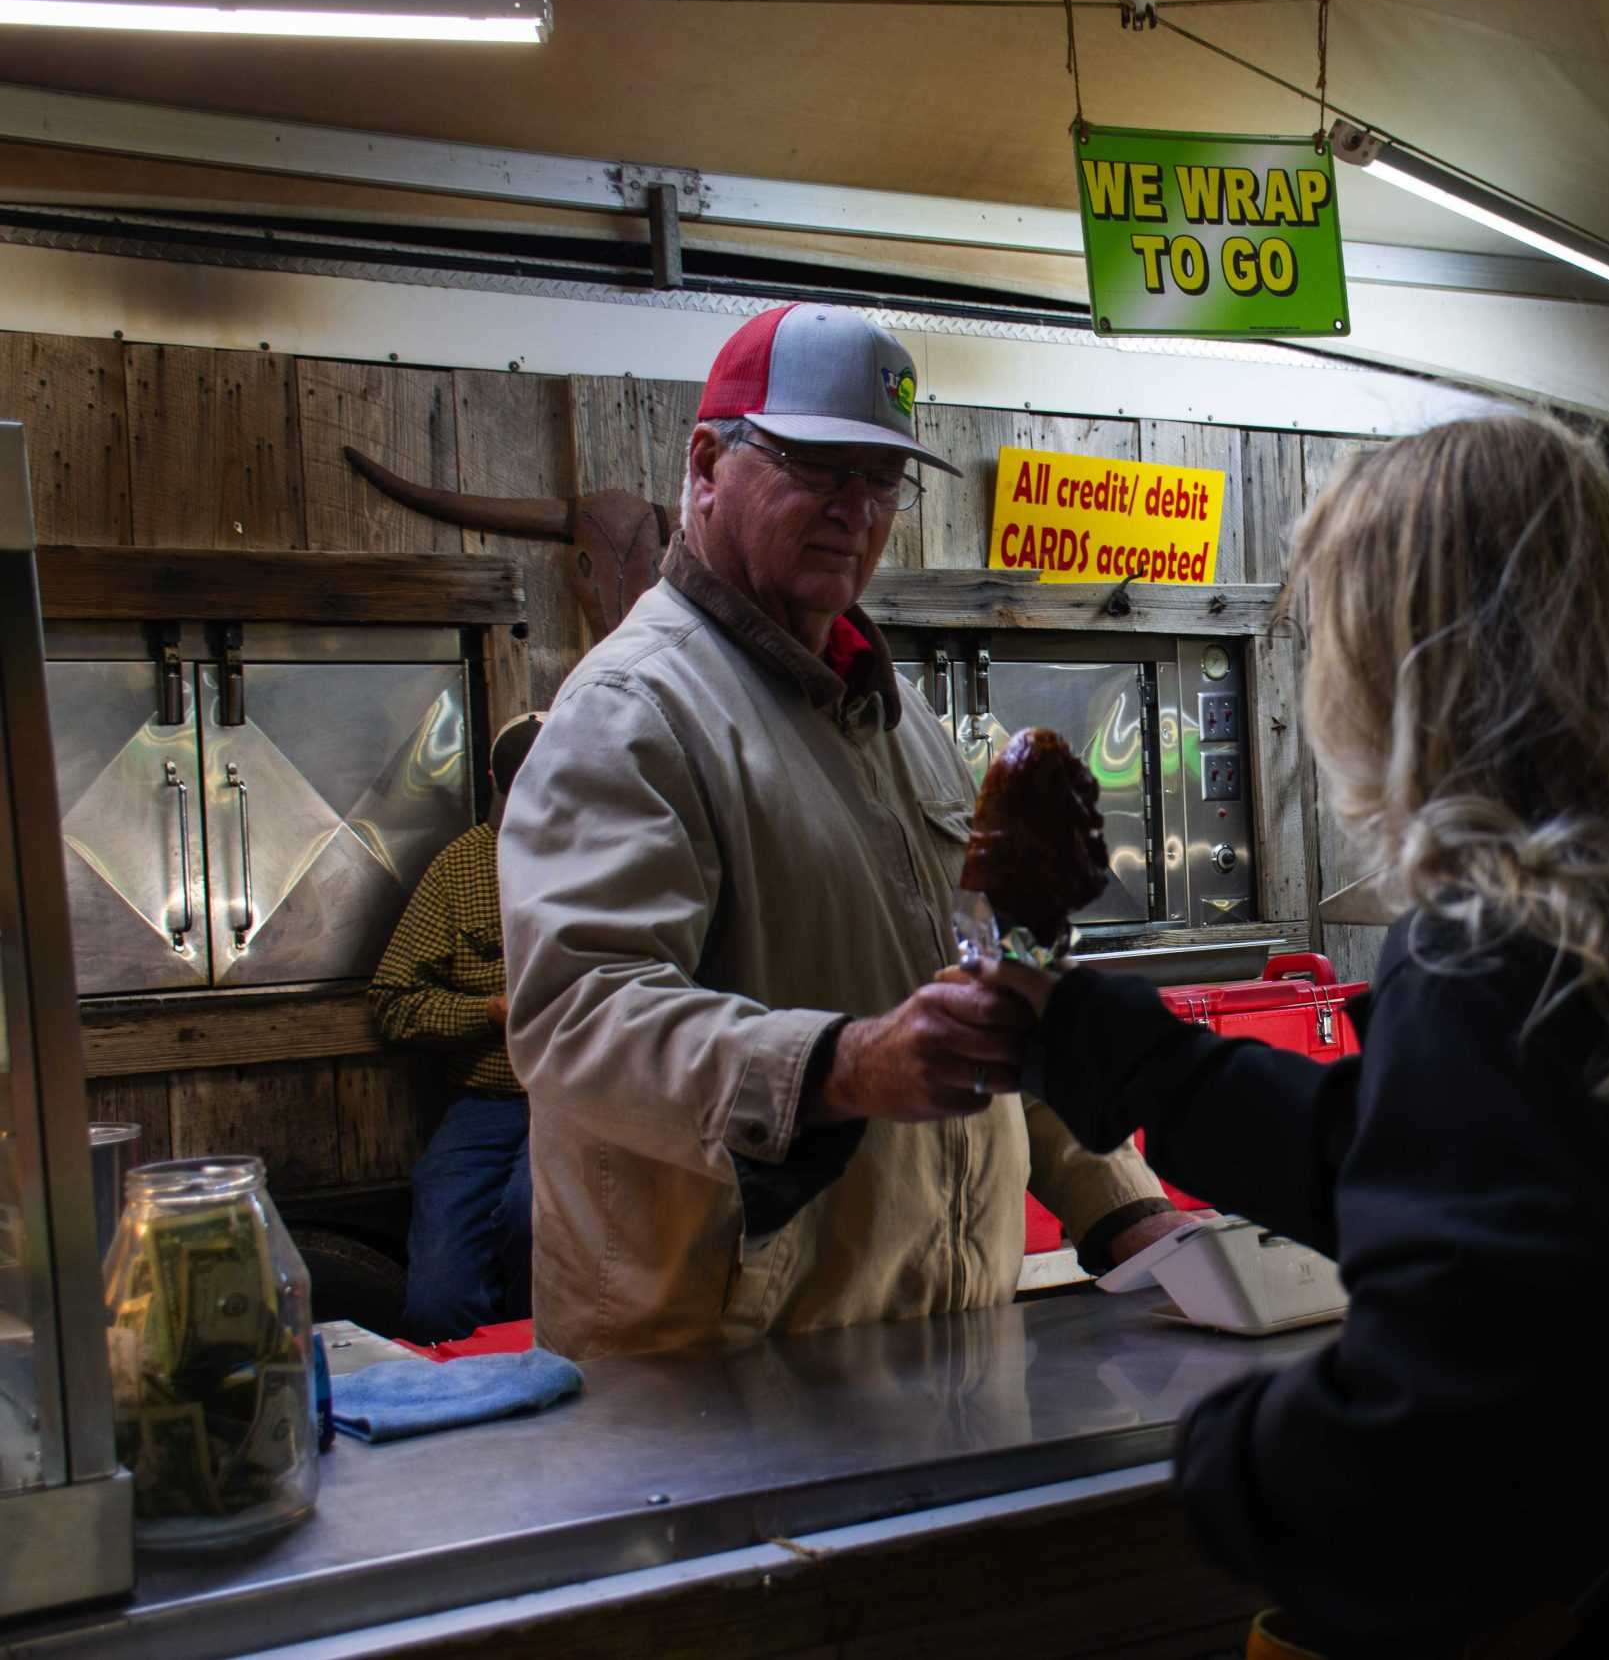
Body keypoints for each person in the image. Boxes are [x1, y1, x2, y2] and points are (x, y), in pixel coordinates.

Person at [978, 416, 1609, 1657]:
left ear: (1403, 670)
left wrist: (1213, 1459)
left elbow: (1457, 1436)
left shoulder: (1504, 948)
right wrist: (1104, 1040)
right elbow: (1456, 1169)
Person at [499, 303, 1188, 1360]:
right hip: (722, 1369)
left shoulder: (895, 717)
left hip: (932, 1339)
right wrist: (838, 1064)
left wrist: (1117, 1201)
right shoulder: (635, 711)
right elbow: (578, 1018)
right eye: (816, 467)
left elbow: (996, 989)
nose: (853, 510)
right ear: (706, 465)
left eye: (880, 481)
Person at [368, 711, 545, 1343]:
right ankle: (470, 1389)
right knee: (438, 1292)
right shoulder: (460, 868)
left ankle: (546, 1367)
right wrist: (487, 1011)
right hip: (487, 1100)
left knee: (535, 1217)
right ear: (499, 785)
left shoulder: (611, 856)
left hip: (578, 1096)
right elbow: (393, 1001)